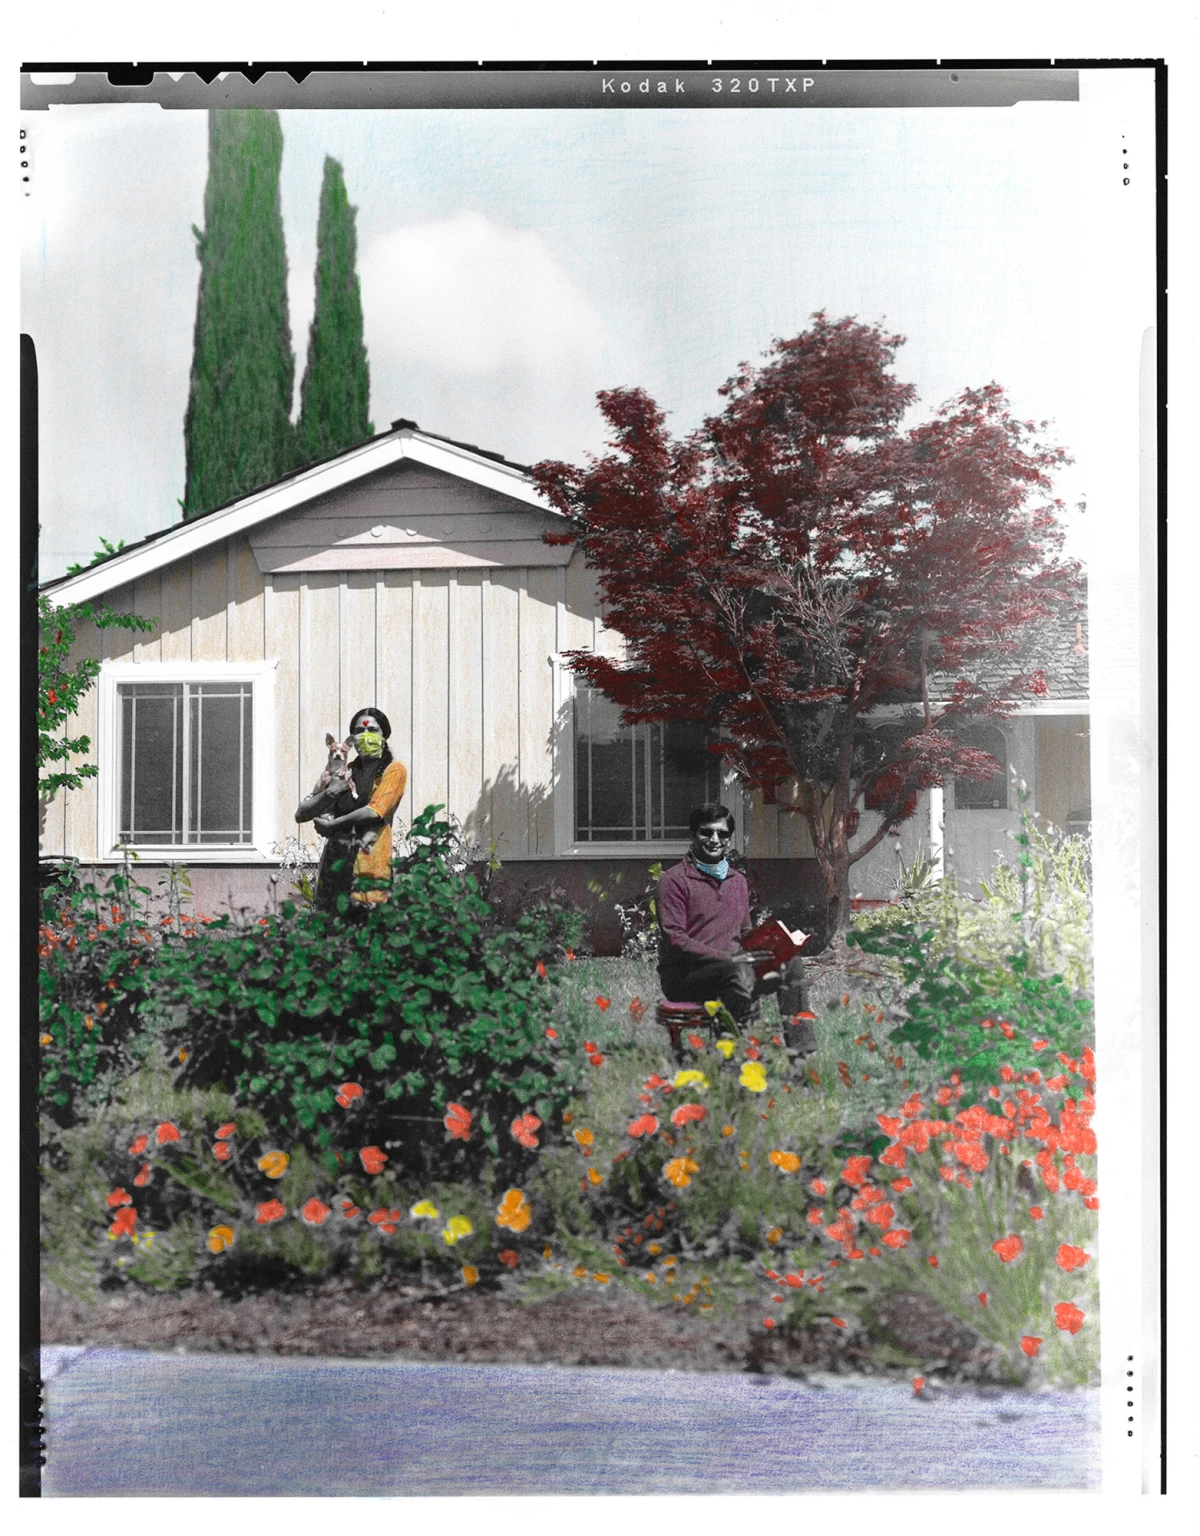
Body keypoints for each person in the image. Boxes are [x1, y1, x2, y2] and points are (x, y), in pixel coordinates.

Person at [657, 803, 815, 1051]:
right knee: (737, 972)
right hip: (687, 976)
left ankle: (800, 1055)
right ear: (692, 836)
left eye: (722, 834)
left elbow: (744, 933)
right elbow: (676, 940)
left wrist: (774, 946)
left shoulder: (736, 881)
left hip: (734, 968)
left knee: (791, 964)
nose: (714, 840)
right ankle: (736, 1056)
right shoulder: (674, 880)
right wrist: (732, 958)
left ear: (729, 839)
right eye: (706, 832)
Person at [295, 708, 407, 913]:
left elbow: (374, 811)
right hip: (335, 862)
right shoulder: (343, 771)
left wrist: (332, 825)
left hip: (369, 861)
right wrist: (329, 794)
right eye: (359, 731)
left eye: (373, 730)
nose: (366, 736)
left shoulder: (394, 770)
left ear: (385, 735)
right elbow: (302, 813)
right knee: (331, 930)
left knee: (367, 930)